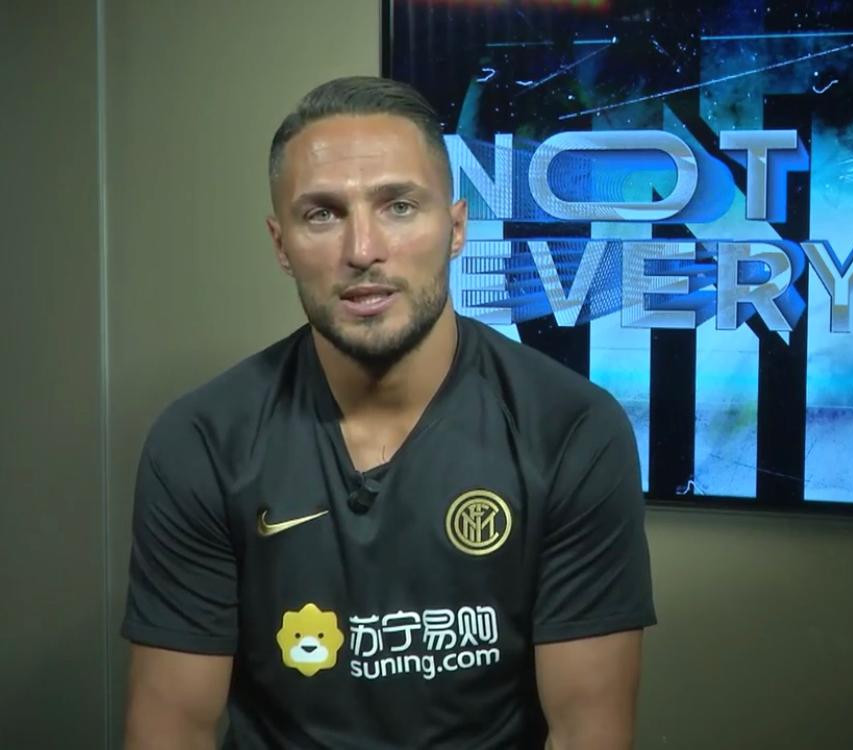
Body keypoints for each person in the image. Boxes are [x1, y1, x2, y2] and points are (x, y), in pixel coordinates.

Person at [121, 76, 656, 749]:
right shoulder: (202, 441)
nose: (362, 250)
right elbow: (172, 729)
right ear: (281, 245)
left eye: (399, 206)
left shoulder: (571, 430)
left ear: (456, 229)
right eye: (322, 214)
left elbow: (587, 732)